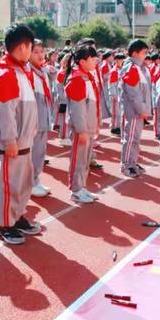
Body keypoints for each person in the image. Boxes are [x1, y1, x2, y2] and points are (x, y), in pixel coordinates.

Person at [0, 24, 41, 245]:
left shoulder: (22, 71)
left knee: (23, 183)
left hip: (25, 140)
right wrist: (9, 140)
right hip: (14, 142)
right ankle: (5, 224)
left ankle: (17, 215)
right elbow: (5, 111)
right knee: (10, 184)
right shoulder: (8, 74)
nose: (31, 51)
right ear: (23, 47)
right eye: (30, 46)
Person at [65, 44, 100, 203]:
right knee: (78, 159)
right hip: (82, 128)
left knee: (85, 160)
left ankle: (82, 186)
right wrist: (82, 130)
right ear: (82, 61)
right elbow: (77, 109)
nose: (96, 61)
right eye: (92, 58)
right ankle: (76, 189)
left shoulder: (87, 77)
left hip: (89, 126)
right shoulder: (78, 79)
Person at [119, 39, 150, 178]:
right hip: (133, 110)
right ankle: (126, 165)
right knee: (130, 138)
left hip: (137, 110)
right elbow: (133, 93)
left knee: (135, 138)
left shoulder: (139, 67)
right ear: (135, 53)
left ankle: (132, 162)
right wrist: (142, 109)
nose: (145, 56)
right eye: (144, 53)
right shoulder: (131, 68)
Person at [29, 39, 53, 198]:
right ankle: (30, 183)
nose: (40, 55)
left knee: (40, 152)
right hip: (34, 120)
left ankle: (35, 179)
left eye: (41, 51)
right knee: (33, 152)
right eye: (35, 52)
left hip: (44, 118)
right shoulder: (29, 72)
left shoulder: (42, 71)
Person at [109, 52, 125, 135]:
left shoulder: (122, 69)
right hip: (115, 95)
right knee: (115, 112)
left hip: (121, 94)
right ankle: (114, 127)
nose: (121, 61)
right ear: (116, 60)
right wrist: (114, 95)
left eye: (122, 59)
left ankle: (118, 126)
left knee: (119, 112)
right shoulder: (114, 71)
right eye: (119, 59)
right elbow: (112, 85)